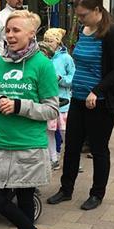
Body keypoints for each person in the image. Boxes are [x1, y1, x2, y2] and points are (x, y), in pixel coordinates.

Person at [47, 0, 114, 211]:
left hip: (101, 102)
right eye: (78, 15)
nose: (80, 19)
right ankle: (66, 189)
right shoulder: (84, 30)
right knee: (71, 146)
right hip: (78, 99)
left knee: (99, 149)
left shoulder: (112, 34)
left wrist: (96, 91)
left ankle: (97, 193)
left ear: (97, 10)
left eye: (83, 15)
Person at [0, 10, 59, 229]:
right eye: (8, 30)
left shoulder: (42, 65)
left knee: (25, 198)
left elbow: (51, 110)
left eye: (17, 31)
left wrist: (19, 106)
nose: (10, 35)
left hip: (30, 144)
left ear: (31, 34)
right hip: (2, 142)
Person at [43, 28, 75, 170]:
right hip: (48, 101)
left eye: (51, 41)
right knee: (49, 131)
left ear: (58, 41)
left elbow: (73, 78)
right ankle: (53, 159)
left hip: (63, 102)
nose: (48, 44)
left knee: (65, 132)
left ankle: (72, 159)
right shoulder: (43, 57)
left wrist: (60, 79)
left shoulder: (67, 58)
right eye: (46, 41)